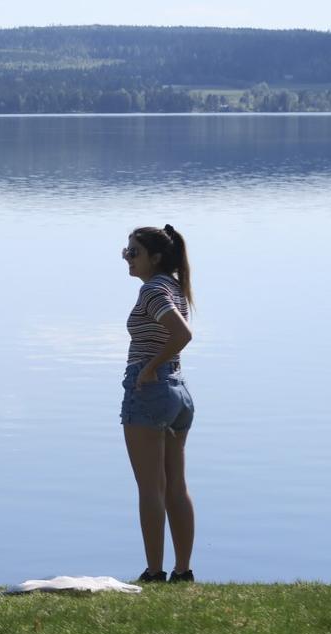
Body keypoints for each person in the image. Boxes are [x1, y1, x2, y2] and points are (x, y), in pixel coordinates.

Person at [120, 224, 197, 583]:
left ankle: (154, 572)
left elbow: (182, 334)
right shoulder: (174, 287)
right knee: (176, 487)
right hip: (178, 392)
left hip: (151, 392)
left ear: (156, 257)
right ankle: (183, 572)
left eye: (133, 252)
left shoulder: (153, 290)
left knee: (151, 488)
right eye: (126, 251)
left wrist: (149, 367)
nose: (127, 258)